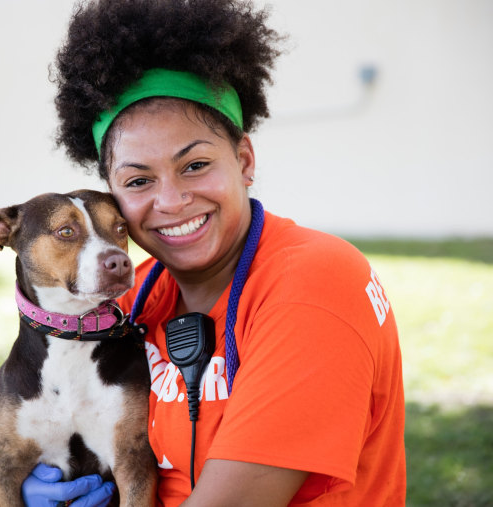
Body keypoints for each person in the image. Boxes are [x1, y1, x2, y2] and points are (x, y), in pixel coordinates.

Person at [21, 0, 406, 505]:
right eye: (138, 180)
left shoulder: (314, 284)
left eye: (196, 165)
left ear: (244, 160)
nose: (171, 201)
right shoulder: (136, 299)